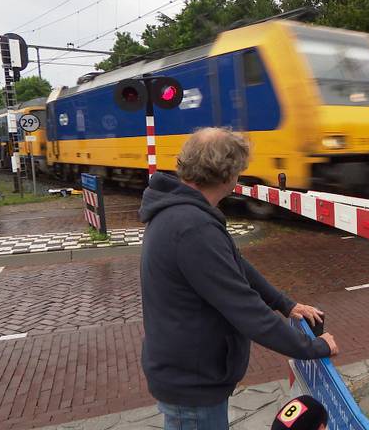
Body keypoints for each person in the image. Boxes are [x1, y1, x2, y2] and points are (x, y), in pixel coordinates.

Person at [139, 127, 339, 430]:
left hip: (190, 374)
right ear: (229, 174)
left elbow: (236, 265)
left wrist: (286, 305)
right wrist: (314, 348)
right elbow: (246, 310)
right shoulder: (193, 227)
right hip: (193, 385)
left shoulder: (183, 213)